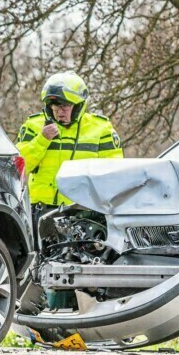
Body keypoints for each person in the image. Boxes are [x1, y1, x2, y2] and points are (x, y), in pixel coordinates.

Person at [16, 73, 123, 310]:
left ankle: (77, 318)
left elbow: (116, 173)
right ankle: (36, 317)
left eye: (65, 106)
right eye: (54, 105)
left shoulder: (101, 129)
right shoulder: (34, 126)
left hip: (84, 214)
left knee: (78, 270)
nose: (59, 111)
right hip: (41, 212)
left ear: (79, 106)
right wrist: (41, 141)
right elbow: (19, 167)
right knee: (37, 268)